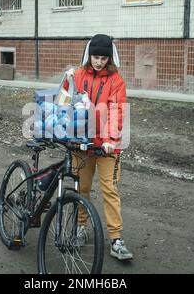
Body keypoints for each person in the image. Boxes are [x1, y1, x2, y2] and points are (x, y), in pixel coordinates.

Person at [65, 34, 133, 261]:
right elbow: (65, 101)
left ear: (109, 58)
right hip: (81, 144)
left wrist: (109, 140)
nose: (99, 62)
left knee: (110, 190)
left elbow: (116, 112)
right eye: (95, 57)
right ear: (89, 55)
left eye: (104, 58)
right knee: (81, 189)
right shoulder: (78, 74)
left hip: (106, 147)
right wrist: (67, 82)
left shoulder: (116, 81)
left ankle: (116, 239)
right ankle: (81, 227)